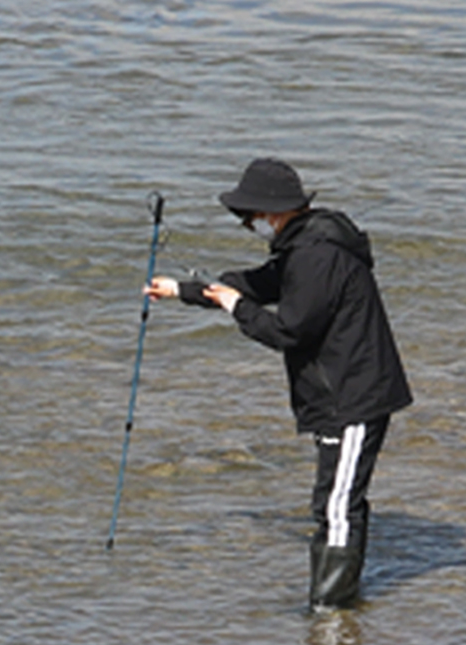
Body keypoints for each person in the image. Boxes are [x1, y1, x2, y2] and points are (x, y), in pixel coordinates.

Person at [145, 157, 413, 611]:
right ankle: (340, 607)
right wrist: (183, 290)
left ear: (274, 211)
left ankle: (329, 614)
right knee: (339, 499)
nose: (249, 225)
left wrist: (236, 308)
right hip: (344, 394)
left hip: (351, 399)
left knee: (336, 505)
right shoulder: (305, 245)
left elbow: (287, 332)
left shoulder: (316, 256)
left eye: (250, 217)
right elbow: (257, 283)